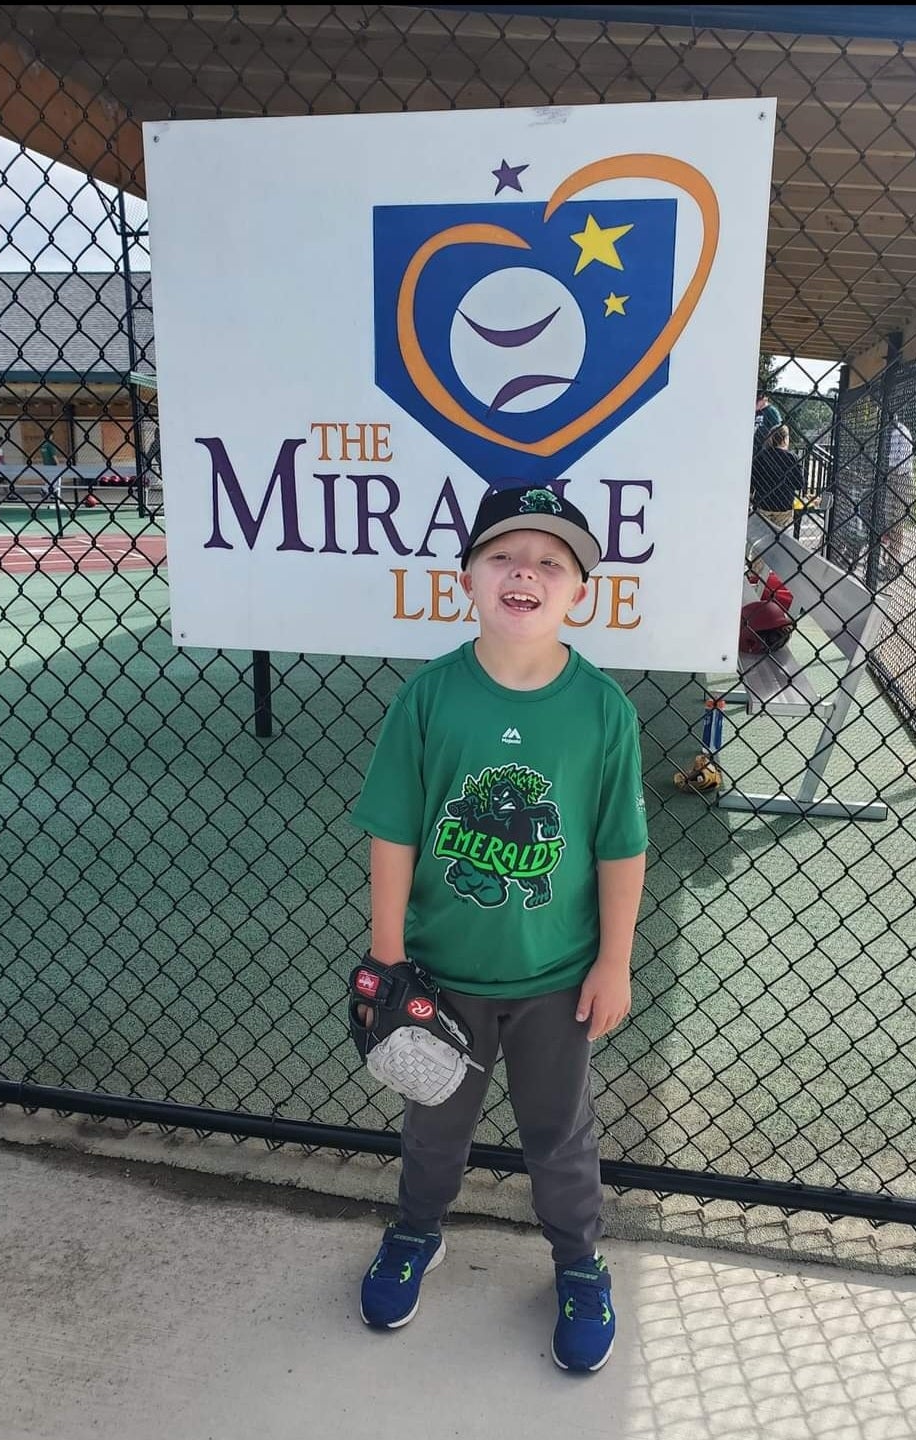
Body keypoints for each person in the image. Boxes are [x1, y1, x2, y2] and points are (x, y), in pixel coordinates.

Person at [350, 484, 648, 1374]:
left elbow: (620, 851)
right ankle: (417, 1233)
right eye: (506, 557)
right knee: (435, 1125)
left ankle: (578, 1262)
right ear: (469, 579)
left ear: (579, 592)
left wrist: (615, 962)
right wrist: (390, 952)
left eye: (552, 561)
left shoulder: (601, 710)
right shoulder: (432, 697)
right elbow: (395, 829)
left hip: (556, 977)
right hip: (442, 975)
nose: (528, 571)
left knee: (559, 1132)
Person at [750, 423, 804, 528]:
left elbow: (753, 480)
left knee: (762, 533)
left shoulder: (761, 456)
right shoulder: (793, 458)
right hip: (784, 503)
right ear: (785, 439)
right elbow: (799, 484)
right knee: (782, 533)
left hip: (763, 502)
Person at [880, 416, 914, 576]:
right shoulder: (887, 433)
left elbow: (900, 463)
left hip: (902, 478)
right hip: (890, 477)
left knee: (897, 521)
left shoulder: (900, 432)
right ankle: (888, 561)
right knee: (888, 520)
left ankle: (893, 565)